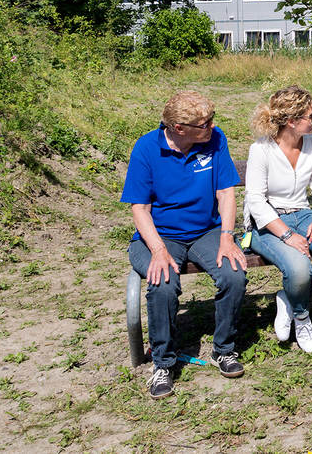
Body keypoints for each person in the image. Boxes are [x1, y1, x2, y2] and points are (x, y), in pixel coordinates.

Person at [121, 91, 247, 399]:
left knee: (233, 273)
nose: (212, 127)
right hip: (159, 235)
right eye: (204, 123)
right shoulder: (147, 148)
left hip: (206, 230)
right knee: (162, 282)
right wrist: (159, 251)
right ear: (179, 127)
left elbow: (226, 193)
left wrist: (227, 237)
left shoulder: (215, 139)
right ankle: (163, 362)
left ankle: (224, 349)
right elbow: (140, 208)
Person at [245, 85, 312, 354]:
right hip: (267, 221)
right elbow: (256, 201)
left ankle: (289, 297)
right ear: (292, 122)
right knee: (299, 266)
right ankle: (302, 315)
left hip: (303, 213)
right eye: (311, 116)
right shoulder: (261, 149)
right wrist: (287, 235)